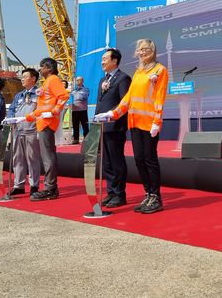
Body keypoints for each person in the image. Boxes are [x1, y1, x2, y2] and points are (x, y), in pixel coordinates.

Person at [93, 39, 168, 214]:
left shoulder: (160, 70)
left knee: (150, 159)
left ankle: (156, 197)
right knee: (139, 160)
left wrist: (157, 122)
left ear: (153, 50)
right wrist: (114, 113)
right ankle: (148, 194)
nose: (142, 52)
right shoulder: (139, 72)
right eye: (140, 50)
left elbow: (159, 97)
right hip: (134, 122)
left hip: (149, 123)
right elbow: (128, 98)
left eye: (146, 49)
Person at [4, 57, 67, 201]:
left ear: (49, 68)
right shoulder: (47, 83)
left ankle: (50, 188)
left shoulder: (53, 80)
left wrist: (54, 111)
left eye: (42, 67)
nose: (40, 69)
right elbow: (41, 107)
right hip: (41, 122)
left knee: (47, 158)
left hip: (47, 123)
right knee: (45, 157)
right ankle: (49, 187)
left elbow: (64, 96)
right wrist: (27, 117)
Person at [94, 48, 131, 208]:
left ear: (114, 61)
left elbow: (124, 102)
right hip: (102, 126)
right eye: (102, 59)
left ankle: (119, 194)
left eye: (105, 58)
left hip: (115, 126)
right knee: (106, 162)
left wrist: (112, 116)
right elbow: (100, 103)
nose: (102, 61)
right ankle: (111, 192)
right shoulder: (103, 80)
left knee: (116, 161)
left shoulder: (123, 78)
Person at [6, 68, 41, 197]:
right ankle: (18, 185)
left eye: (25, 76)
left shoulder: (38, 94)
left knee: (32, 158)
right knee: (18, 158)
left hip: (31, 130)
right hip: (18, 130)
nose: (22, 79)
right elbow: (12, 109)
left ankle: (34, 185)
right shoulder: (19, 95)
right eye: (22, 76)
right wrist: (10, 118)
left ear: (33, 79)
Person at [70, 76, 90, 144]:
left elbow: (83, 97)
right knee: (75, 125)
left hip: (82, 110)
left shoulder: (85, 89)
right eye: (77, 80)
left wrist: (77, 92)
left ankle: (87, 139)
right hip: (74, 110)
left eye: (79, 80)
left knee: (85, 125)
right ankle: (76, 139)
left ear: (82, 81)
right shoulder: (73, 90)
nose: (78, 81)